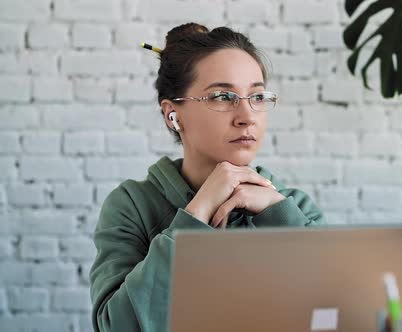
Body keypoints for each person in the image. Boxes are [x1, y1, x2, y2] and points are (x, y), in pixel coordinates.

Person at [89, 22, 326, 332]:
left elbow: (341, 315)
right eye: (223, 97)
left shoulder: (294, 206)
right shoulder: (131, 206)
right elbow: (116, 327)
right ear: (173, 115)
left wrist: (280, 217)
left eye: (257, 97)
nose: (247, 117)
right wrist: (195, 216)